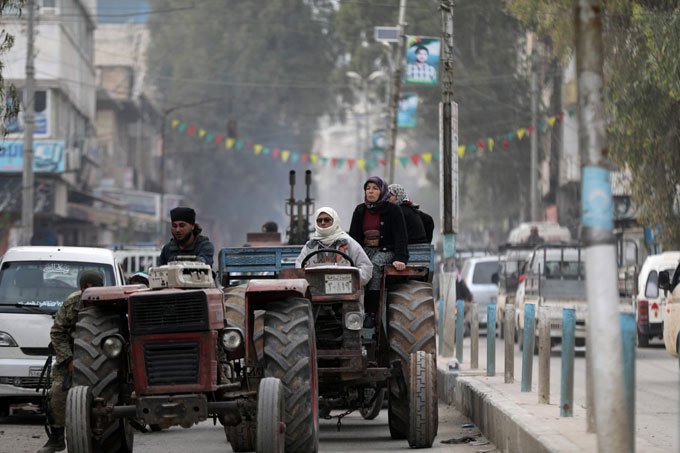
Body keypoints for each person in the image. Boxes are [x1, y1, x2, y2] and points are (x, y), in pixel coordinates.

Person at [38, 269, 104, 453]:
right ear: (80, 287)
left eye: (94, 287)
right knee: (58, 392)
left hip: (104, 357)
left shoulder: (110, 303)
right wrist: (68, 359)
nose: (89, 291)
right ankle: (57, 438)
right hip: (71, 358)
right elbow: (57, 333)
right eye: (85, 287)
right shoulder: (71, 304)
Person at [349, 176, 409, 325]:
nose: (371, 192)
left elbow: (401, 236)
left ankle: (371, 313)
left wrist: (400, 258)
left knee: (374, 267)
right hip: (365, 250)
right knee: (353, 270)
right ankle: (351, 312)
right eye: (368, 188)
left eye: (375, 188)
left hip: (386, 250)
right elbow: (353, 238)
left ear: (382, 191)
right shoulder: (360, 210)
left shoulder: (393, 210)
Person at [295, 207, 373, 287]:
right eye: (319, 220)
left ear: (334, 221)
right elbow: (299, 268)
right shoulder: (310, 245)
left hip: (345, 294)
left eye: (327, 220)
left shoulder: (347, 242)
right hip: (315, 292)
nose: (323, 223)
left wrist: (350, 280)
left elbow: (366, 268)